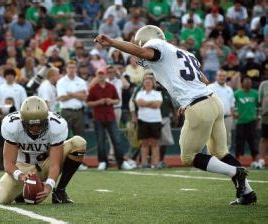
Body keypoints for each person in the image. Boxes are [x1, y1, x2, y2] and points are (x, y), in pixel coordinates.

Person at [94, 25, 257, 205]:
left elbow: (142, 52)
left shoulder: (156, 46)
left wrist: (112, 43)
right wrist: (184, 99)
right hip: (213, 100)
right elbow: (203, 79)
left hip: (199, 106)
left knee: (188, 157)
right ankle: (247, 193)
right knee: (220, 152)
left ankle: (235, 172)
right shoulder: (183, 52)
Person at [0, 96, 87, 204]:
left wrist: (49, 185)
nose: (36, 129)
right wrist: (20, 175)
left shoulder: (56, 125)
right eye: (31, 126)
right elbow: (8, 163)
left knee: (79, 143)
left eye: (39, 125)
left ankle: (60, 192)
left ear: (46, 120)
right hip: (22, 167)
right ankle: (22, 192)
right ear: (23, 122)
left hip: (45, 164)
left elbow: (55, 164)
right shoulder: (12, 126)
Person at [87, 67, 133, 171]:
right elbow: (89, 103)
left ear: (105, 75)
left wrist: (110, 101)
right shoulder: (94, 88)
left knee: (116, 139)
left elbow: (117, 100)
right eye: (99, 74)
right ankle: (103, 161)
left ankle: (120, 162)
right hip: (99, 116)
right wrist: (99, 102)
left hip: (110, 115)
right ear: (97, 76)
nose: (101, 76)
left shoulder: (111, 87)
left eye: (102, 74)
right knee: (100, 140)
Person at [234, 77, 259, 165]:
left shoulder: (256, 93)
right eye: (246, 82)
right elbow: (231, 104)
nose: (248, 84)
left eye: (249, 82)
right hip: (240, 121)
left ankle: (255, 159)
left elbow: (259, 105)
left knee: (253, 141)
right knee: (239, 141)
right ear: (242, 83)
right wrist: (234, 113)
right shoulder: (237, 93)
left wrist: (258, 115)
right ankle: (237, 159)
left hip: (252, 121)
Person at [209, 70, 235, 151]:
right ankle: (213, 159)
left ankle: (225, 158)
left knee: (227, 139)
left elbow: (232, 105)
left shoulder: (229, 89)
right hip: (214, 117)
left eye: (223, 76)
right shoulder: (210, 87)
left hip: (227, 118)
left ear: (226, 77)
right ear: (216, 77)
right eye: (220, 75)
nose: (222, 77)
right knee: (213, 139)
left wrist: (232, 117)